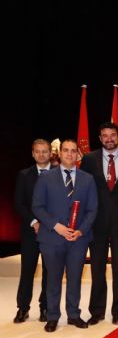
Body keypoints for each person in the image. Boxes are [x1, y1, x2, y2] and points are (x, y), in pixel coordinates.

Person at [32, 139, 98, 332]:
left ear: (78, 155)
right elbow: (37, 206)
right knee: (53, 279)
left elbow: (93, 209)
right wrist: (56, 227)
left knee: (75, 278)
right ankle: (52, 316)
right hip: (52, 238)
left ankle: (74, 314)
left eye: (73, 151)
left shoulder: (88, 179)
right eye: (66, 151)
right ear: (59, 154)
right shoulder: (45, 178)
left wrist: (81, 230)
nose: (69, 154)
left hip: (78, 239)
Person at [80, 122, 118, 326]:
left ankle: (117, 311)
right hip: (96, 223)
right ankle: (96, 311)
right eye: (104, 135)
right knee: (97, 268)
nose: (109, 139)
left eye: (112, 135)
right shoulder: (88, 159)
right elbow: (83, 189)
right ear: (99, 138)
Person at [14, 139, 53, 324]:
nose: (41, 155)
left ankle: (45, 307)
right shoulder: (24, 175)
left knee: (49, 271)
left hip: (51, 232)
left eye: (44, 151)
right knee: (27, 270)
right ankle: (23, 308)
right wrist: (34, 222)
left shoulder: (58, 174)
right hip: (30, 232)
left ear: (50, 153)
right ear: (32, 153)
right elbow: (19, 203)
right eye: (37, 152)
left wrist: (47, 223)